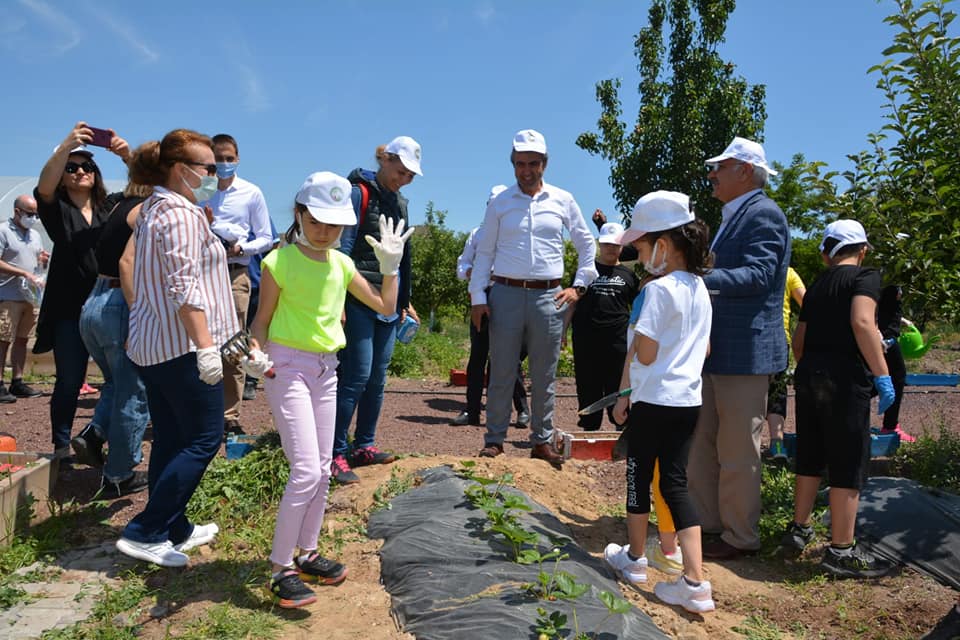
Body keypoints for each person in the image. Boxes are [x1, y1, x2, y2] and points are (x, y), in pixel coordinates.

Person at [249, 171, 413, 608]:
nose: (326, 232)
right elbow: (261, 322)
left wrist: (391, 269)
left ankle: (308, 552)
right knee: (305, 470)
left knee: (322, 469)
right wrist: (253, 353)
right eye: (317, 221)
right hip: (286, 368)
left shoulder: (341, 264)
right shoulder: (277, 262)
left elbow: (385, 307)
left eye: (335, 225)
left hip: (327, 370)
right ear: (300, 214)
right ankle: (280, 567)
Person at [116, 129, 238, 568]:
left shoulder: (156, 208)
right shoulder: (180, 215)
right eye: (208, 167)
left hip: (155, 344)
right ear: (180, 169)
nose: (215, 173)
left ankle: (174, 526)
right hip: (182, 346)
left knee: (171, 436)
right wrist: (207, 347)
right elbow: (184, 286)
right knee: (205, 438)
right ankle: (146, 530)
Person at [603, 191, 715, 613]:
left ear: (664, 246)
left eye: (644, 246)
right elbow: (703, 352)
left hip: (651, 402)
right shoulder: (701, 289)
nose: (641, 254)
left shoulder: (657, 292)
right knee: (675, 483)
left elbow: (645, 355)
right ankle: (695, 582)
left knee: (638, 475)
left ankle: (633, 560)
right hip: (687, 401)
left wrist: (626, 386)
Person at [688, 136, 791, 559]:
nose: (712, 175)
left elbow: (759, 276)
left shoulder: (764, 215)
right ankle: (710, 525)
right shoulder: (736, 215)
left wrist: (698, 279)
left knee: (736, 451)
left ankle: (740, 538)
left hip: (744, 355)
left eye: (720, 167)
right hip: (719, 351)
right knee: (704, 445)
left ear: (745, 171)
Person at [469, 129, 597, 467]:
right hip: (505, 294)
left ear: (545, 164)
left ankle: (541, 440)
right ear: (512, 165)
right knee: (501, 370)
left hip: (549, 297)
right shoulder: (500, 203)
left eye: (533, 163)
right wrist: (477, 297)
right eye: (520, 164)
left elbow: (586, 244)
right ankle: (494, 440)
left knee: (545, 373)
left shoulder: (563, 200)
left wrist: (579, 286)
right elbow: (485, 252)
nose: (526, 170)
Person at [780, 220, 895, 578]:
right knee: (848, 458)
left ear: (828, 253)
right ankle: (842, 549)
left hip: (811, 375)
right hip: (845, 380)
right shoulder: (865, 278)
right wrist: (883, 375)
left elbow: (799, 341)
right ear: (861, 250)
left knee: (811, 453)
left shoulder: (816, 285)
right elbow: (862, 322)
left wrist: (815, 370)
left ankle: (799, 529)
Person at [34, 123, 130, 463]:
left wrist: (125, 154)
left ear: (96, 173)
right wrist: (64, 147)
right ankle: (62, 446)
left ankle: (102, 441)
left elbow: (146, 187)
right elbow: (43, 188)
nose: (79, 172)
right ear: (63, 176)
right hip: (68, 308)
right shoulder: (57, 210)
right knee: (70, 380)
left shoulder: (111, 207)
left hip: (110, 305)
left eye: (87, 166)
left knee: (120, 380)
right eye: (72, 168)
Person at [332, 136, 422, 484]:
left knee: (377, 379)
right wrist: (338, 299)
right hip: (358, 298)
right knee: (355, 375)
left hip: (388, 301)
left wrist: (404, 299)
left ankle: (364, 445)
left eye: (410, 175)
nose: (404, 178)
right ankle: (336, 453)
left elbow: (404, 257)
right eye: (401, 171)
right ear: (385, 159)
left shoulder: (399, 201)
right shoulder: (358, 193)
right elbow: (344, 248)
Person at [70, 146, 153, 497]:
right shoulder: (147, 210)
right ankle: (119, 476)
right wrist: (140, 314)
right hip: (122, 302)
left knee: (116, 386)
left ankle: (93, 435)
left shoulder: (117, 205)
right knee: (135, 393)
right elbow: (130, 264)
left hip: (95, 302)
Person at [202, 134, 274, 434]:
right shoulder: (199, 191)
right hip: (202, 273)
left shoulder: (251, 193)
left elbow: (266, 237)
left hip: (235, 274)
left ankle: (229, 415)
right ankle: (200, 412)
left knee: (233, 344)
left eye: (229, 158)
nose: (224, 164)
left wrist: (242, 247)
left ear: (238, 158)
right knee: (199, 343)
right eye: (218, 158)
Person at [451, 185, 529, 428]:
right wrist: (473, 272)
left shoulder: (518, 235)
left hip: (509, 297)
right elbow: (461, 266)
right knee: (478, 357)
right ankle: (472, 411)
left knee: (508, 357)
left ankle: (522, 410)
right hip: (482, 296)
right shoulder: (477, 234)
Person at [566, 221, 639, 430]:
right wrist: (562, 330)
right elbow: (573, 302)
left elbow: (639, 308)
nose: (611, 248)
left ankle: (621, 427)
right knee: (588, 385)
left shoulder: (629, 276)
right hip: (587, 339)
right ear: (600, 244)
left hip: (618, 341)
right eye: (607, 244)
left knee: (618, 384)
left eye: (615, 245)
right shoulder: (586, 272)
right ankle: (589, 427)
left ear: (622, 247)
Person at [0, 195, 47, 403]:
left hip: (29, 296)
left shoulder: (35, 235)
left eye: (36, 214)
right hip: (7, 295)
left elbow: (37, 264)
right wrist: (22, 273)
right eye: (30, 213)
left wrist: (42, 262)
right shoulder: (3, 231)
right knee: (3, 340)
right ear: (17, 211)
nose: (33, 218)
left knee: (22, 339)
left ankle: (17, 381)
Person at [766, 266, 806, 460]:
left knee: (749, 393)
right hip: (779, 340)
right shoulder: (788, 272)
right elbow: (807, 303)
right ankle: (777, 445)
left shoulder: (745, 267)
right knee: (777, 394)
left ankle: (747, 446)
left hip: (750, 340)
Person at [243, 220, 280, 402]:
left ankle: (250, 379)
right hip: (230, 283)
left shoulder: (259, 216)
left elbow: (274, 244)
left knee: (255, 331)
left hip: (258, 283)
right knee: (236, 336)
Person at [876, 284, 916, 442]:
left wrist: (903, 320)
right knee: (897, 379)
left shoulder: (888, 303)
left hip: (885, 340)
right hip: (886, 342)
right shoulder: (883, 297)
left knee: (884, 379)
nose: (901, 293)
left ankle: (890, 424)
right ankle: (890, 426)